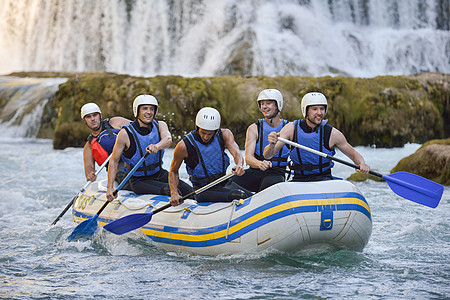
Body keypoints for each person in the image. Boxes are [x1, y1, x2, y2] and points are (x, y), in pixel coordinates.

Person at [264, 92, 370, 181]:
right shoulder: (291, 129)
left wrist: (362, 163)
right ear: (305, 110)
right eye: (315, 109)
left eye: (322, 109)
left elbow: (353, 154)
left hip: (324, 179)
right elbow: (267, 155)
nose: (319, 113)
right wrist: (271, 145)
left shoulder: (332, 133)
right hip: (299, 179)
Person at [106, 94, 191, 202]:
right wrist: (109, 188)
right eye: (145, 108)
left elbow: (168, 139)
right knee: (170, 190)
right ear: (137, 111)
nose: (149, 112)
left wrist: (157, 146)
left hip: (159, 173)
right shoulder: (125, 133)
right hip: (138, 181)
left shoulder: (160, 125)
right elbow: (114, 161)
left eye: (152, 109)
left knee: (188, 190)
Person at [168, 107, 252, 206]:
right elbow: (173, 171)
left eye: (210, 134)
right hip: (202, 191)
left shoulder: (225, 134)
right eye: (203, 132)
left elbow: (237, 153)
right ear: (197, 128)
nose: (206, 137)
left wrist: (239, 165)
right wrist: (174, 193)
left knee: (251, 197)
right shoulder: (183, 146)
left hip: (223, 182)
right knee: (238, 195)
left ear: (215, 130)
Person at [232, 89, 290, 192]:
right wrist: (259, 164)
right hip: (255, 171)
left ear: (277, 105)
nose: (264, 107)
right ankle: (246, 199)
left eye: (268, 103)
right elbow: (248, 157)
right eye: (262, 104)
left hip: (276, 173)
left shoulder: (288, 128)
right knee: (229, 184)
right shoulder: (254, 128)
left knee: (268, 185)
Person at [81, 102, 131, 184]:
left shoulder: (115, 122)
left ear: (100, 116)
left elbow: (138, 129)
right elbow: (89, 167)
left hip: (132, 159)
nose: (92, 119)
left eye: (95, 115)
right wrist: (90, 174)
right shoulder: (89, 146)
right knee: (121, 173)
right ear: (84, 120)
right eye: (88, 117)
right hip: (116, 169)